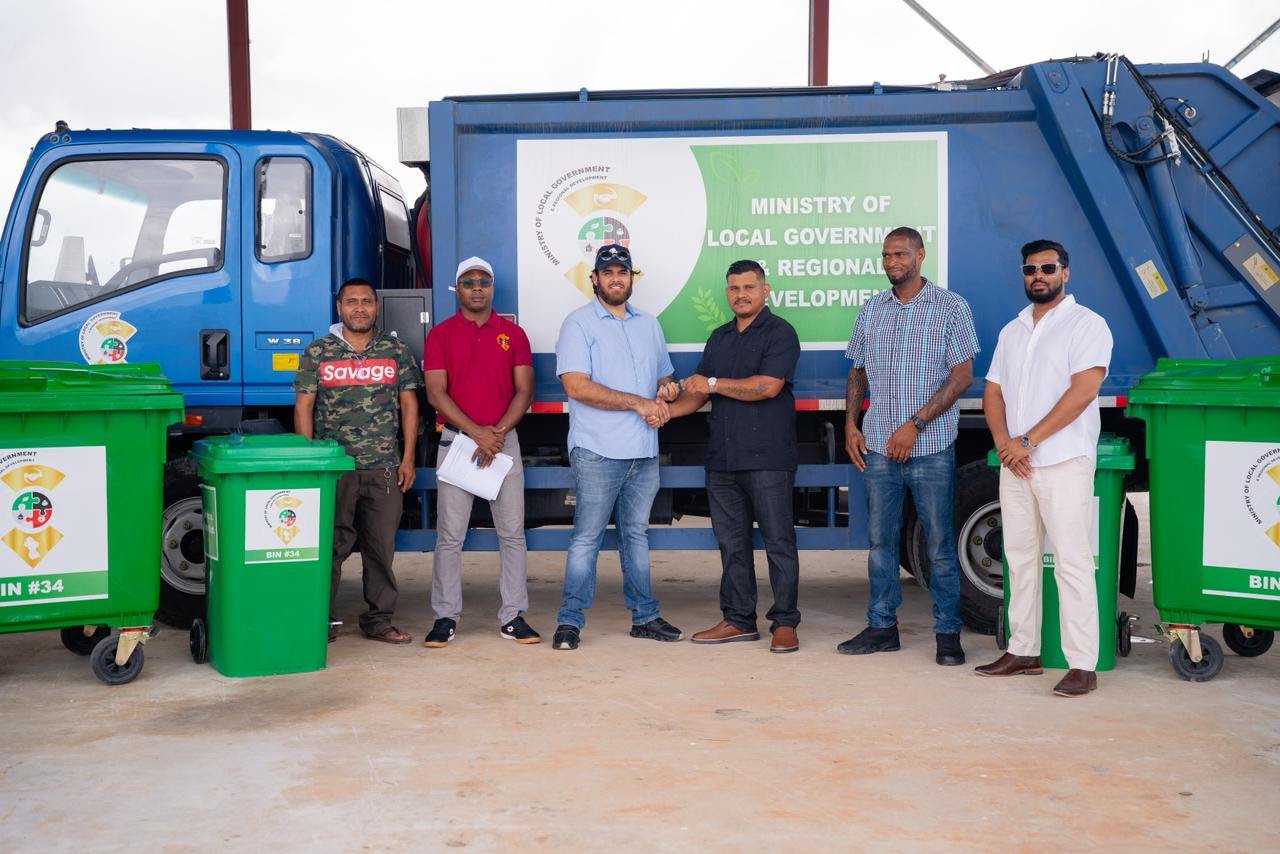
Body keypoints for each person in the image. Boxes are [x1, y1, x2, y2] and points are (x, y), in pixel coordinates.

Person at [975, 239, 1113, 697]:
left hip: (1062, 461)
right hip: (1016, 465)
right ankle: (1023, 650)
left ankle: (1082, 664)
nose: (1039, 276)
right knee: (1018, 558)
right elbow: (993, 391)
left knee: (1071, 561)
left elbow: (1083, 392)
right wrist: (1004, 444)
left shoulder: (1087, 324)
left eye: (1048, 268)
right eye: (1031, 269)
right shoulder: (1012, 330)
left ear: (1065, 273)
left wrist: (1027, 441)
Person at [841, 226, 978, 665]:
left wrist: (915, 425)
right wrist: (851, 424)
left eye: (900, 254)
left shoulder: (950, 307)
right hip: (879, 445)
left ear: (920, 255)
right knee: (880, 542)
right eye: (886, 255)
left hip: (931, 446)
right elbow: (857, 370)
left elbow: (962, 376)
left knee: (939, 544)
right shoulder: (872, 309)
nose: (892, 262)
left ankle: (948, 633)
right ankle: (882, 627)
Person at [550, 243, 684, 651]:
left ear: (630, 278)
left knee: (636, 536)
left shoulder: (649, 324)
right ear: (594, 279)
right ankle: (569, 621)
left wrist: (667, 390)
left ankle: (644, 617)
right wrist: (638, 403)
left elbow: (663, 377)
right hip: (597, 451)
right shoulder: (578, 324)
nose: (615, 278)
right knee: (586, 538)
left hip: (643, 452)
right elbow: (576, 386)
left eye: (621, 272)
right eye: (607, 272)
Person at [669, 260, 802, 653]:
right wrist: (664, 412)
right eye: (734, 288)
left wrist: (711, 383)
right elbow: (698, 393)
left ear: (765, 290)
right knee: (732, 545)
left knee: (779, 542)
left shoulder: (781, 332)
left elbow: (767, 387)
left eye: (749, 287)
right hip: (723, 460)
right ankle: (739, 620)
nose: (741, 295)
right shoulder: (719, 337)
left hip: (767, 458)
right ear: (727, 292)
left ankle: (785, 622)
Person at [294, 277, 422, 644]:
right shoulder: (318, 352)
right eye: (352, 301)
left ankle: (379, 620)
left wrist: (407, 459)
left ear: (376, 307)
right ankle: (320, 618)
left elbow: (409, 405)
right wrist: (311, 463)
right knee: (330, 546)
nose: (360, 308)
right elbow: (303, 407)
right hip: (335, 469)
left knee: (380, 548)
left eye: (367, 301)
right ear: (340, 308)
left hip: (383, 466)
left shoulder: (395, 350)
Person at [421, 256, 538, 648]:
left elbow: (525, 390)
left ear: (492, 287)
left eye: (483, 281)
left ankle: (513, 617)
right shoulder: (440, 335)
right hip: (458, 443)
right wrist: (477, 434)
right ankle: (445, 617)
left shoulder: (513, 334)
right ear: (458, 288)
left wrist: (497, 434)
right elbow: (436, 393)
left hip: (504, 443)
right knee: (449, 536)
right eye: (468, 282)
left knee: (512, 534)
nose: (476, 288)